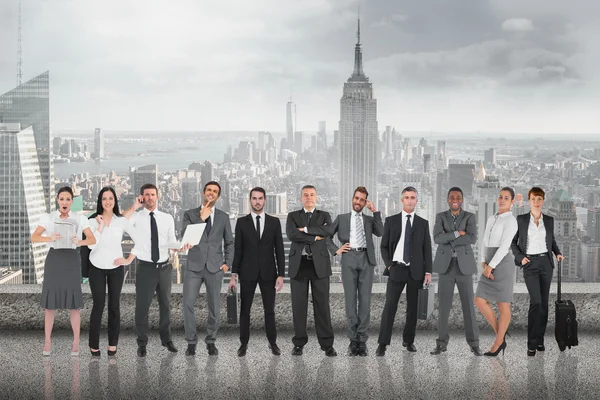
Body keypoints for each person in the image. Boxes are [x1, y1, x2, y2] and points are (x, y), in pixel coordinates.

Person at [31, 186, 97, 356]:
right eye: (62, 199)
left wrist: (79, 241)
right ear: (57, 200)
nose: (65, 202)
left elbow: (92, 239)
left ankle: (76, 341)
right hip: (54, 260)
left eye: (68, 199)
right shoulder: (49, 217)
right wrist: (50, 238)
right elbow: (34, 237)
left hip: (71, 259)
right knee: (49, 306)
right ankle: (47, 341)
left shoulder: (79, 218)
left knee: (74, 305)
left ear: (72, 202)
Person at [326, 186, 383, 356]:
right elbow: (326, 235)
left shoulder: (369, 219)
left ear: (365, 202)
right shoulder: (342, 218)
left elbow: (381, 232)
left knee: (365, 301)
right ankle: (353, 340)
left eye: (362, 200)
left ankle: (362, 340)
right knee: (350, 300)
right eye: (356, 198)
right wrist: (336, 250)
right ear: (352, 198)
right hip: (349, 258)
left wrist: (375, 212)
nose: (358, 202)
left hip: (367, 259)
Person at [228, 187, 285, 357]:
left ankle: (272, 343)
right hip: (247, 273)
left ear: (265, 200)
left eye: (260, 198)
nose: (257, 201)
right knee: (245, 310)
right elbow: (238, 250)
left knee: (270, 310)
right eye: (254, 198)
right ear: (250, 200)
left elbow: (279, 250)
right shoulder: (241, 222)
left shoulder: (274, 222)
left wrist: (281, 274)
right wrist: (233, 275)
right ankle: (243, 344)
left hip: (269, 273)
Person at [376, 186, 432, 356]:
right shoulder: (391, 221)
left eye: (413, 197)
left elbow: (427, 250)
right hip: (397, 269)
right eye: (406, 197)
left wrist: (428, 272)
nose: (409, 200)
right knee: (389, 307)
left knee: (412, 308)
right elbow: (384, 246)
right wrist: (390, 265)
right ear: (402, 200)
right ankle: (382, 344)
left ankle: (409, 341)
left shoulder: (423, 223)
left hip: (416, 271)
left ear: (416, 201)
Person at [181, 181, 234, 356]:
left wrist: (227, 264)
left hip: (215, 267)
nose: (211, 193)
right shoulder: (190, 214)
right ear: (203, 193)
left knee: (214, 307)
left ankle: (211, 341)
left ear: (218, 196)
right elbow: (185, 236)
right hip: (194, 267)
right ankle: (191, 342)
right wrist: (201, 218)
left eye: (215, 192)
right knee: (188, 304)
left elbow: (229, 242)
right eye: (209, 190)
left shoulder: (223, 217)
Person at [511, 186, 564, 357]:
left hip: (546, 264)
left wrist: (558, 253)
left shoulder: (549, 220)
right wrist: (520, 258)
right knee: (536, 302)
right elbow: (513, 242)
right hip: (530, 264)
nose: (536, 202)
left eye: (539, 199)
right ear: (529, 201)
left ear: (543, 201)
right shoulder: (520, 219)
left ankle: (540, 340)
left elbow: (551, 240)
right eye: (533, 199)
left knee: (544, 303)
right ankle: (532, 343)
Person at [129, 183, 181, 357]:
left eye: (152, 194)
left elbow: (172, 241)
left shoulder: (167, 218)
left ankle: (167, 340)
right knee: (142, 307)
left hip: (165, 268)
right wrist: (134, 206)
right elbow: (120, 222)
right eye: (146, 195)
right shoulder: (136, 217)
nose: (150, 198)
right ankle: (142, 342)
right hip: (145, 268)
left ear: (158, 196)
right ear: (141, 197)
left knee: (165, 306)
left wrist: (181, 246)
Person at [86, 187, 138, 357]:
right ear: (100, 201)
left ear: (115, 201)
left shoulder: (121, 221)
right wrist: (100, 226)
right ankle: (93, 344)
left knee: (114, 307)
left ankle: (113, 343)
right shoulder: (93, 221)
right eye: (104, 199)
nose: (107, 202)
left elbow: (140, 239)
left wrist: (129, 259)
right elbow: (91, 245)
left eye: (110, 198)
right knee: (98, 306)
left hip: (116, 268)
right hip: (96, 268)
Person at [431, 187, 482, 356]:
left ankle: (474, 344)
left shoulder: (470, 217)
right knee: (443, 307)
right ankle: (441, 343)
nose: (455, 199)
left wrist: (449, 238)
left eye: (458, 197)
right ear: (447, 199)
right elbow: (437, 238)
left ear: (462, 200)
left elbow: (472, 238)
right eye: (452, 197)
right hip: (446, 267)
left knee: (468, 306)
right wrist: (456, 234)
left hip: (464, 267)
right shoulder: (440, 216)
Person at [286, 185, 336, 357]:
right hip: (299, 264)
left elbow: (328, 230)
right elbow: (292, 234)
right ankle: (299, 343)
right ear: (301, 199)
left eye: (312, 195)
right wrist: (315, 236)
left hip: (319, 265)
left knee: (322, 306)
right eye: (305, 195)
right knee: (299, 307)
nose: (308, 197)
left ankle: (327, 344)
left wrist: (306, 230)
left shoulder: (325, 215)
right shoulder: (292, 216)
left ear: (317, 197)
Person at [474, 187, 519, 356]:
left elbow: (505, 246)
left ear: (512, 202)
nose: (502, 200)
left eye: (506, 198)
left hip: (502, 262)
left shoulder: (511, 221)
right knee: (479, 300)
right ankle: (501, 334)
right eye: (500, 197)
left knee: (503, 303)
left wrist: (490, 266)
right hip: (489, 262)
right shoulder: (492, 218)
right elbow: (484, 241)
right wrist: (483, 263)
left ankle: (498, 342)